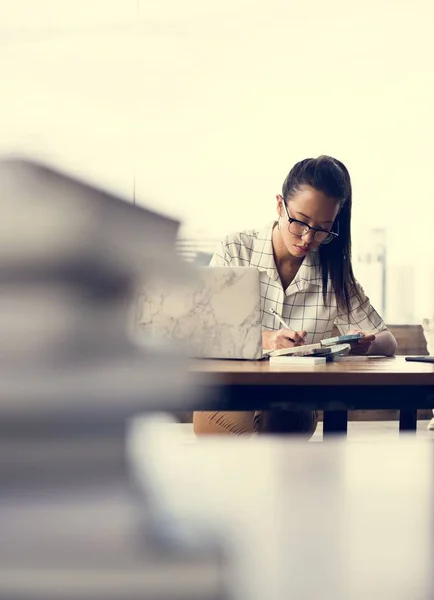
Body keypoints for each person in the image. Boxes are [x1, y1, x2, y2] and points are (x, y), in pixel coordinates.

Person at [193, 155, 397, 437]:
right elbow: (201, 331)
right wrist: (264, 340)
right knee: (239, 435)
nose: (307, 238)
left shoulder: (333, 273)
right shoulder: (236, 249)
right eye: (300, 222)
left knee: (284, 421)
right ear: (280, 205)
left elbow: (387, 341)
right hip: (227, 392)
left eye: (322, 229)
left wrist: (362, 344)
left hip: (293, 402)